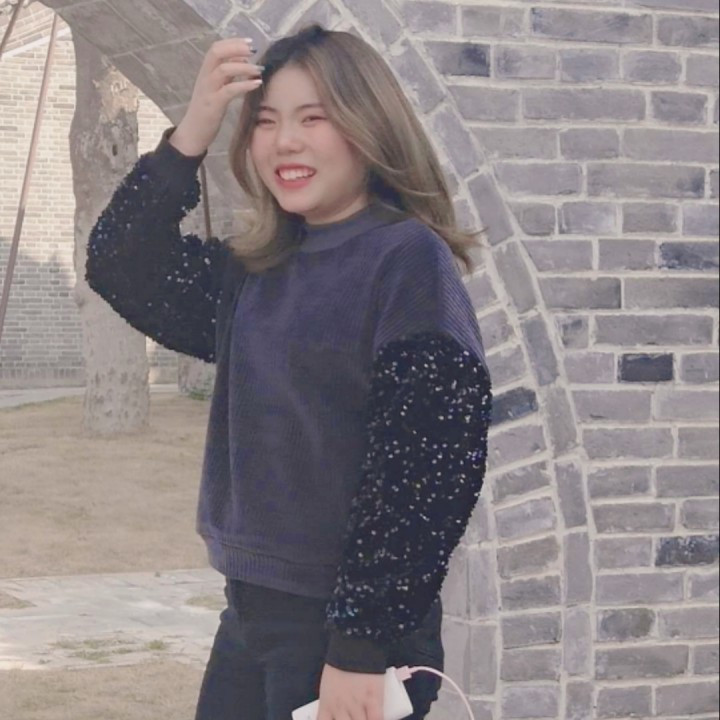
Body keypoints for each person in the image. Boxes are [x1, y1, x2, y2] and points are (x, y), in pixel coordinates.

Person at [86, 24, 493, 720]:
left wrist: (359, 648)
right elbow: (120, 263)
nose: (284, 142)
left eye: (314, 118)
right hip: (251, 617)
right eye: (266, 121)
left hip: (346, 634)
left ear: (369, 128)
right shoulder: (257, 269)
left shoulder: (405, 261)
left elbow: (426, 470)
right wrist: (193, 130)